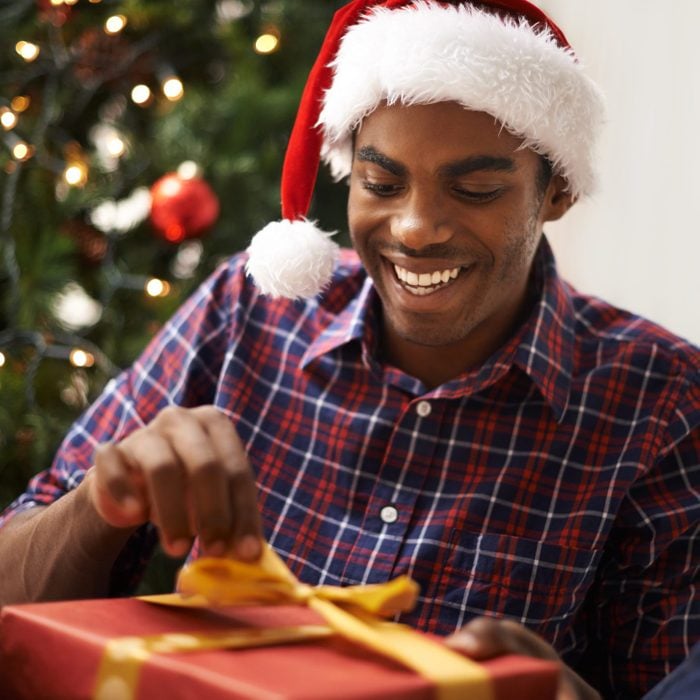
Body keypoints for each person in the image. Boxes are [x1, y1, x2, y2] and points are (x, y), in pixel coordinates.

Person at [0, 1, 697, 698]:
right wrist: (99, 504)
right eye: (382, 184)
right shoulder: (248, 309)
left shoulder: (661, 402)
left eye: (476, 188)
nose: (417, 228)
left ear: (557, 192)